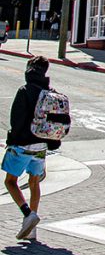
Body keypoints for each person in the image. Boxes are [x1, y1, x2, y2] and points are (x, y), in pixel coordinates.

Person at [3, 57, 67, 241]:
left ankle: (28, 214)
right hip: (41, 146)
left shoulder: (24, 91)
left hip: (22, 145)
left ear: (29, 69)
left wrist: (12, 139)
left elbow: (17, 121)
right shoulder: (50, 93)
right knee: (34, 182)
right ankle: (31, 229)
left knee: (10, 182)